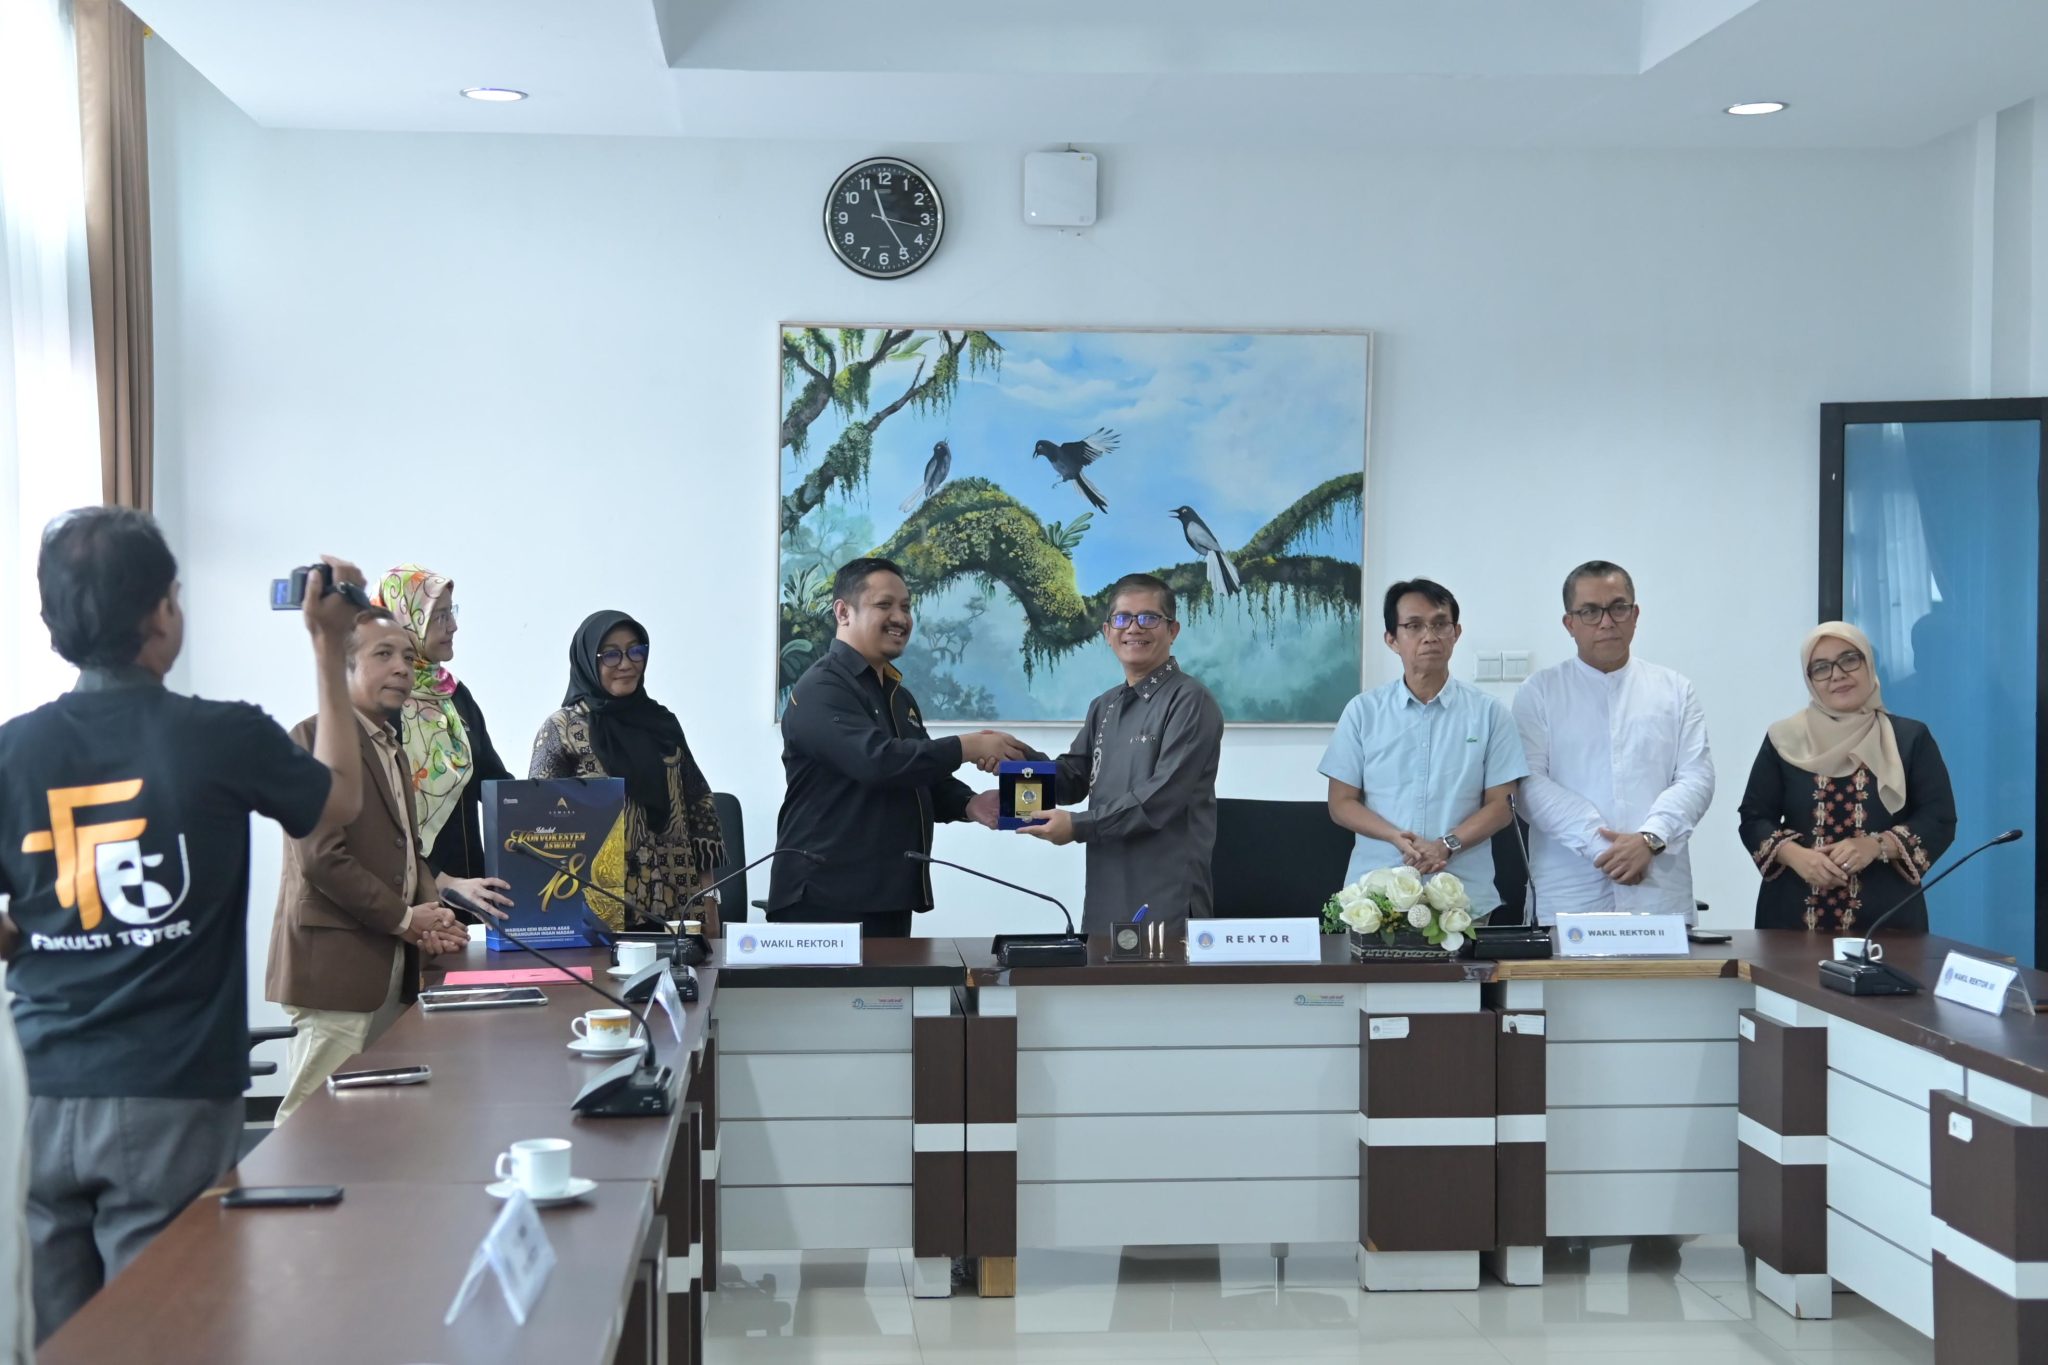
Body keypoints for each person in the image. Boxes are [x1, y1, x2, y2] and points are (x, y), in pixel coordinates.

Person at [0, 508, 367, 1341]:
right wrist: (326, 646)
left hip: (37, 1090)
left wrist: (38, 928)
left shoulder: (12, 752)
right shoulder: (220, 735)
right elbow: (339, 799)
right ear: (161, 612)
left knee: (59, 1341)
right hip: (169, 1091)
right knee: (167, 1338)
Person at [266, 608, 472, 1119]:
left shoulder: (392, 747)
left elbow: (409, 850)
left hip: (391, 966)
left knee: (380, 1121)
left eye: (407, 656)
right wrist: (406, 919)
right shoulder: (312, 739)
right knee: (311, 1124)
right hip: (336, 969)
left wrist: (432, 913)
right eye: (383, 654)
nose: (402, 667)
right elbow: (321, 859)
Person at [770, 558, 1028, 936]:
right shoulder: (822, 688)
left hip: (886, 895)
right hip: (825, 897)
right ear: (843, 612)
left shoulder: (898, 696)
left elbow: (919, 774)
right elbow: (877, 762)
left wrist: (970, 803)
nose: (900, 618)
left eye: (906, 607)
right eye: (884, 605)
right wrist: (968, 746)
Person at [1005, 574, 1224, 933]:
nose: (1134, 628)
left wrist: (1077, 826)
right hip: (1104, 890)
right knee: (1096, 970)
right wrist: (1017, 760)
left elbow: (1160, 799)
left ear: (1173, 630)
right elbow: (1073, 779)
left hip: (1165, 897)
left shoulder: (1190, 701)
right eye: (1122, 618)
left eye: (1149, 617)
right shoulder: (1104, 705)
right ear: (1107, 632)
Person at [1512, 561, 1715, 923]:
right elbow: (1528, 784)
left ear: (1635, 615)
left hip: (1657, 885)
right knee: (1565, 965)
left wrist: (1651, 838)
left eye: (1618, 608)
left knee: (1665, 965)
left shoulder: (1674, 690)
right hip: (1570, 889)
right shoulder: (1539, 692)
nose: (1606, 622)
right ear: (1569, 623)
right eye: (1590, 611)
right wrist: (1599, 844)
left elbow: (1697, 777)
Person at [1320, 579, 1528, 914]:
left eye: (1440, 624)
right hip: (1375, 897)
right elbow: (1341, 803)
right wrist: (1394, 836)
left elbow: (1503, 805)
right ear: (1392, 639)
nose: (1429, 636)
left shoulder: (1489, 713)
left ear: (1456, 633)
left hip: (1462, 898)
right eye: (1414, 626)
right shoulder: (1363, 712)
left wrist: (1447, 844)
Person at [1738, 622, 1957, 933]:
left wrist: (1876, 845)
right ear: (1809, 679)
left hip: (1887, 919)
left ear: (1869, 665)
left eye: (1849, 660)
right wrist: (1797, 857)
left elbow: (1939, 818)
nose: (1837, 675)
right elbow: (1754, 817)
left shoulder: (1909, 739)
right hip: (1792, 917)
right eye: (1821, 668)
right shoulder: (1784, 739)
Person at [531, 611, 727, 931]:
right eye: (611, 654)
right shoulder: (562, 729)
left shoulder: (662, 724)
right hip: (595, 913)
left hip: (675, 905)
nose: (626, 663)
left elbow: (699, 809)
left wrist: (709, 901)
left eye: (635, 650)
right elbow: (538, 823)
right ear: (587, 660)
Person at [373, 565, 515, 894]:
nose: (453, 625)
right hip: (408, 894)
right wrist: (439, 881)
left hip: (473, 891)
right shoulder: (382, 706)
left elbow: (494, 783)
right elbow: (378, 819)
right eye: (438, 616)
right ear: (404, 621)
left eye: (451, 612)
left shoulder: (454, 696)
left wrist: (560, 811)